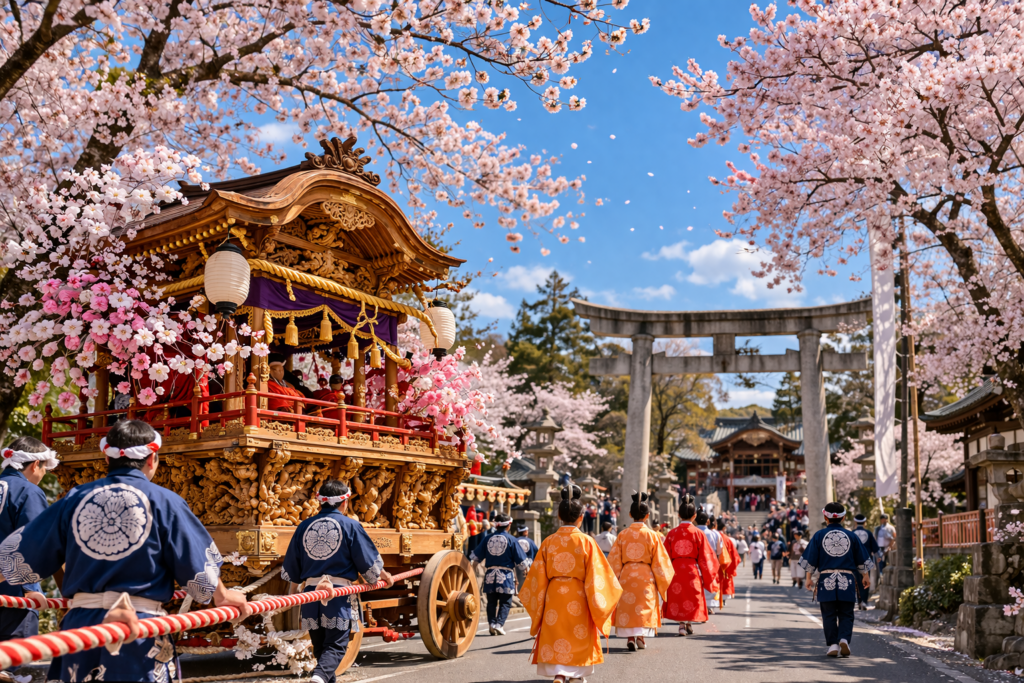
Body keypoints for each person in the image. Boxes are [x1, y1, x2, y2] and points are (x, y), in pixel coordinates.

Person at [0, 420, 252, 683]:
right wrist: (222, 596)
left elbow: (16, 556)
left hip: (81, 629)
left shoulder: (73, 498)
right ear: (152, 458)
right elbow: (198, 570)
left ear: (106, 458)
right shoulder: (166, 502)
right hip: (140, 628)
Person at [282, 479, 393, 683]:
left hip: (311, 594)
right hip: (338, 595)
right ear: (344, 502)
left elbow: (293, 567)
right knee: (336, 646)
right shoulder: (350, 525)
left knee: (322, 648)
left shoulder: (304, 526)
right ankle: (318, 677)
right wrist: (383, 575)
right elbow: (366, 561)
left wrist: (292, 594)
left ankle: (322, 677)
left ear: (321, 502)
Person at [520, 485, 622, 683]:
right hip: (579, 594)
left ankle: (558, 674)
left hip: (553, 593)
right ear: (581, 517)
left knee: (555, 631)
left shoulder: (549, 541)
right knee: (577, 634)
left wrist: (538, 600)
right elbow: (598, 576)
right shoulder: (587, 541)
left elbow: (537, 576)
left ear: (559, 515)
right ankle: (574, 675)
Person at [0, 437, 57, 642]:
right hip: (12, 598)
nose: (42, 475)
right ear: (35, 465)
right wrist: (31, 589)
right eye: (44, 469)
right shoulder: (28, 491)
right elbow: (33, 544)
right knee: (12, 668)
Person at [800, 502, 873, 658]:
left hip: (826, 579)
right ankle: (844, 639)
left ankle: (833, 644)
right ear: (844, 518)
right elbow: (861, 558)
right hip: (847, 579)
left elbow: (811, 559)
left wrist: (808, 578)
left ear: (825, 517)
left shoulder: (819, 535)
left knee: (829, 613)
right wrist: (865, 575)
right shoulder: (851, 535)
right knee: (846, 613)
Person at [607, 492, 674, 652]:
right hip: (646, 574)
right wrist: (661, 580)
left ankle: (630, 638)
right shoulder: (652, 535)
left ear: (630, 514)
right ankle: (641, 638)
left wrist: (614, 579)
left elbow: (614, 561)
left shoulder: (622, 535)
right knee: (643, 606)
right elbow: (660, 561)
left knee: (628, 606)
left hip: (627, 574)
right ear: (647, 515)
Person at [662, 494, 720, 636]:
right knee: (691, 596)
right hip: (692, 569)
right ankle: (688, 623)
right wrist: (709, 574)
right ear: (694, 516)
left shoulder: (672, 533)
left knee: (678, 596)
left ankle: (682, 625)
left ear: (678, 515)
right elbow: (706, 557)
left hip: (675, 569)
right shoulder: (698, 533)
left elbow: (664, 556)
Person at [470, 513, 530, 635]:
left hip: (490, 575)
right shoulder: (511, 540)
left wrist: (472, 572)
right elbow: (522, 562)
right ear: (508, 526)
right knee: (506, 602)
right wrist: (526, 570)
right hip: (506, 576)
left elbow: (475, 559)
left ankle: (492, 624)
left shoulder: (487, 539)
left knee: (491, 602)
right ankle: (499, 624)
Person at [852, 513, 880, 610]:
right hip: (865, 560)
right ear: (865, 522)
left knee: (857, 581)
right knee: (866, 581)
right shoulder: (868, 533)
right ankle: (863, 601)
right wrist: (878, 556)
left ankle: (859, 601)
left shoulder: (852, 533)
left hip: (854, 561)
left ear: (855, 522)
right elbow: (875, 548)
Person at [715, 517, 739, 606]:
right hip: (725, 566)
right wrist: (732, 567)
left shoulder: (711, 535)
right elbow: (735, 556)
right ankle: (723, 600)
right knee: (724, 581)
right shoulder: (727, 539)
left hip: (712, 564)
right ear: (724, 528)